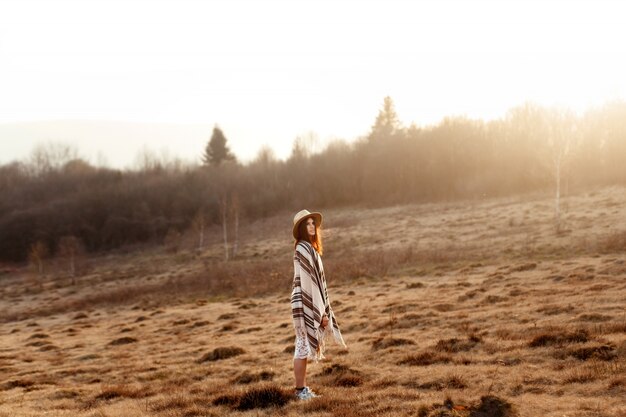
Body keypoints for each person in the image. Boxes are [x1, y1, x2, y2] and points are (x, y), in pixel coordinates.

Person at [290, 209, 346, 400]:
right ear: (301, 228)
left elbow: (316, 282)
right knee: (302, 345)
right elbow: (309, 284)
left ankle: (302, 389)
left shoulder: (309, 248)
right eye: (308, 224)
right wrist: (319, 313)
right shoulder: (303, 249)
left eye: (313, 223)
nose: (312, 226)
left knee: (302, 345)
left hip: (306, 301)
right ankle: (300, 391)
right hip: (304, 301)